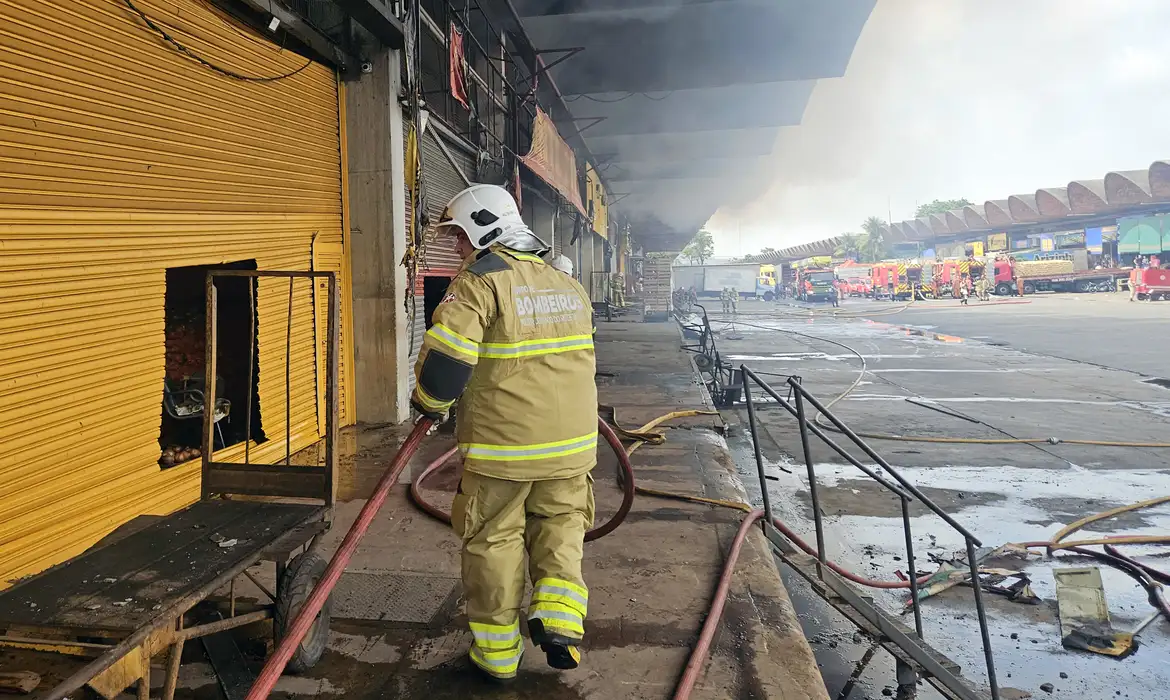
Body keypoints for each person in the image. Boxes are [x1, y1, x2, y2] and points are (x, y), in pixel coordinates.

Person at [411, 184, 597, 681]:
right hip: (574, 449)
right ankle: (559, 623)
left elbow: (446, 364)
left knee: (494, 540)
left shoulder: (480, 282)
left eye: (458, 235)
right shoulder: (566, 283)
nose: (456, 246)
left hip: (504, 452)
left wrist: (428, 406)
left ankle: (496, 655)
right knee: (561, 527)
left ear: (483, 228)